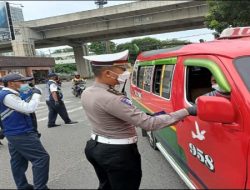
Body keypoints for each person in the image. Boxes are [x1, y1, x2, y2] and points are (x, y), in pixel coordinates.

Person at [81, 50, 196, 190]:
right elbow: (148, 124)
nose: (126, 73)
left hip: (96, 147)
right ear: (107, 74)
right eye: (122, 70)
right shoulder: (111, 98)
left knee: (106, 186)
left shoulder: (88, 92)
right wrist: (187, 111)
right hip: (117, 153)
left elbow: (114, 115)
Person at [0, 73, 50, 190]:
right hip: (21, 133)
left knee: (18, 161)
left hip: (13, 133)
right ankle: (40, 187)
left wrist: (30, 93)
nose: (25, 84)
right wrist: (36, 95)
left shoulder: (10, 94)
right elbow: (28, 108)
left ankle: (23, 186)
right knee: (41, 158)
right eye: (21, 82)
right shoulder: (7, 96)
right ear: (11, 83)